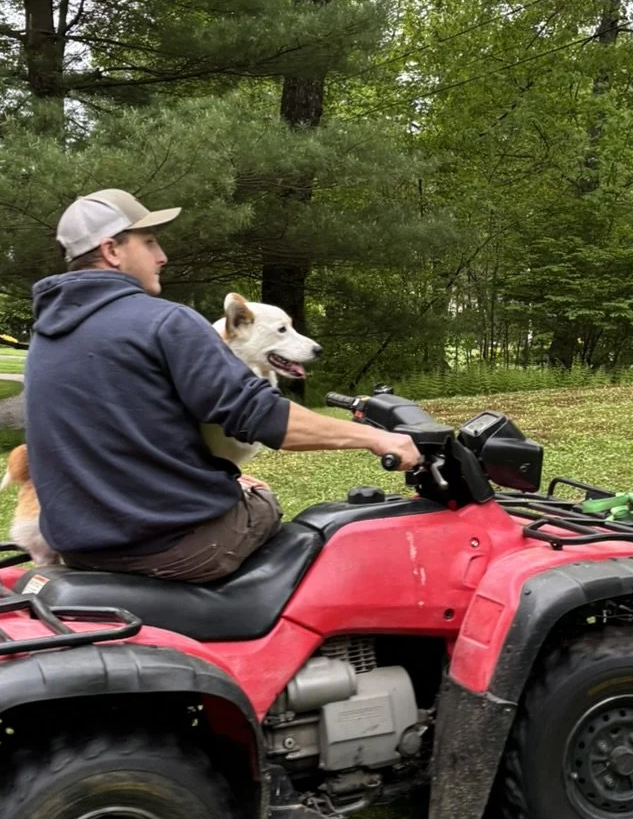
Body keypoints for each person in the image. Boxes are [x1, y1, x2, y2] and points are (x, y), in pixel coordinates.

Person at [24, 188, 419, 583]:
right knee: (274, 508)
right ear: (112, 250)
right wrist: (377, 439)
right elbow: (260, 415)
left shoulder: (48, 335)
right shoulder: (163, 322)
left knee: (236, 487)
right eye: (149, 242)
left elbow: (124, 435)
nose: (162, 256)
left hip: (81, 549)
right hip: (171, 546)